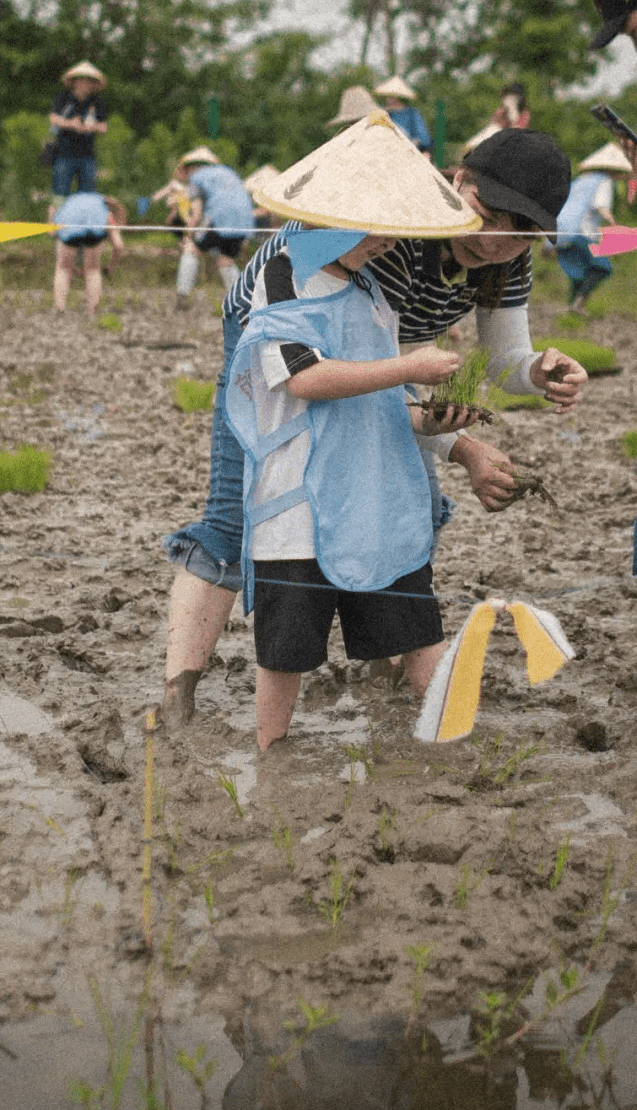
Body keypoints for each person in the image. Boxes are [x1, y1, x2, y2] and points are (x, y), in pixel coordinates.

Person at [161, 118, 586, 729]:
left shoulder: (505, 261)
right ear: (456, 179)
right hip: (282, 336)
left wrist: (539, 372)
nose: (494, 241)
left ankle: (393, 663)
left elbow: (499, 360)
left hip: (386, 365)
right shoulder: (391, 231)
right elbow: (357, 382)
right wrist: (462, 448)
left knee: (407, 502)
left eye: (518, 234)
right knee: (241, 507)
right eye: (485, 214)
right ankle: (179, 691)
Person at [223, 115, 480, 749]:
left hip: (375, 495)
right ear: (334, 213)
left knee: (418, 630)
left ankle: (458, 750)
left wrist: (437, 418)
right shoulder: (282, 271)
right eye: (374, 229)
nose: (385, 243)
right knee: (284, 656)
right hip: (299, 503)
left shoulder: (372, 289)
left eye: (394, 231)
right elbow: (303, 377)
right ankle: (270, 757)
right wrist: (411, 366)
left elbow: (388, 396)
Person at [551, 144, 631, 309]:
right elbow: (600, 206)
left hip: (560, 230)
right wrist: (613, 225)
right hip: (581, 231)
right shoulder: (605, 181)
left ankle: (571, 308)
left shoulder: (581, 179)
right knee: (602, 268)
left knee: (578, 272)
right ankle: (578, 304)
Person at [173, 147, 255, 307]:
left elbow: (196, 215)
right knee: (225, 259)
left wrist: (187, 236)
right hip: (245, 222)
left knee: (191, 249)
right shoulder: (228, 173)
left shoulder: (195, 179)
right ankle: (242, 302)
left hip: (219, 218)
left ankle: (182, 295)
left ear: (191, 167)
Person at [48, 191, 126, 315]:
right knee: (92, 269)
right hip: (94, 232)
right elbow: (118, 245)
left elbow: (51, 232)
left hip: (68, 228)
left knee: (63, 268)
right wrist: (111, 266)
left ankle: (59, 307)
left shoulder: (69, 202)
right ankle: (93, 309)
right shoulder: (106, 213)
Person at [48, 62, 108, 197]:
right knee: (60, 192)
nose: (85, 84)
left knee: (88, 194)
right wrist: (71, 124)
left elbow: (104, 127)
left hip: (87, 155)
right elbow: (53, 119)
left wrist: (93, 127)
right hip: (64, 153)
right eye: (82, 80)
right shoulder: (63, 97)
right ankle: (55, 218)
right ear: (75, 82)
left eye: (89, 81)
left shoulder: (98, 103)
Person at [377, 74, 433, 154]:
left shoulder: (412, 114)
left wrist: (412, 143)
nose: (387, 100)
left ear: (396, 98)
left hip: (407, 153)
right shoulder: (385, 114)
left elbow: (424, 139)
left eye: (390, 97)